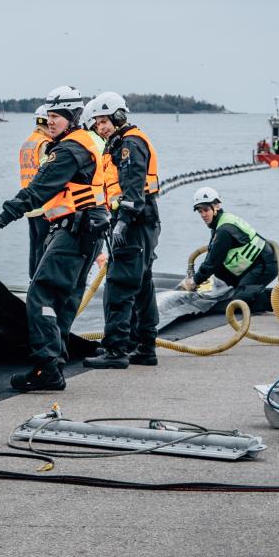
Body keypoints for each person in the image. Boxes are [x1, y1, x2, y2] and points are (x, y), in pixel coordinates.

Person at [0, 85, 108, 391]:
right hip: (90, 230)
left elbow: (39, 189)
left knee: (40, 294)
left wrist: (1, 219)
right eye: (49, 116)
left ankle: (46, 367)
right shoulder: (89, 141)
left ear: (72, 116)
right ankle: (54, 363)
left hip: (74, 230)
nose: (51, 122)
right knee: (64, 300)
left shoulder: (67, 150)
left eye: (57, 117)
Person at [83, 92, 160, 369]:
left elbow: (133, 187)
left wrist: (123, 221)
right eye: (97, 124)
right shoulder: (122, 142)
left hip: (134, 223)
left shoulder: (128, 144)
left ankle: (116, 350)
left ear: (118, 117)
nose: (101, 128)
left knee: (119, 285)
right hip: (142, 222)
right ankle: (145, 346)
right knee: (142, 285)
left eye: (104, 121)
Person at [178, 187, 279, 314]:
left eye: (205, 210)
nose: (203, 215)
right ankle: (247, 290)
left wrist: (194, 281)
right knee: (220, 272)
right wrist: (198, 277)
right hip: (253, 264)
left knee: (240, 302)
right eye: (200, 211)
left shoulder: (224, 230)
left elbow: (212, 262)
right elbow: (212, 255)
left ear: (216, 206)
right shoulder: (221, 222)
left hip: (264, 264)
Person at [19, 105, 55, 278]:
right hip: (43, 205)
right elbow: (48, 174)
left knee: (34, 245)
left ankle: (32, 281)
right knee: (43, 246)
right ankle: (40, 285)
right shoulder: (45, 144)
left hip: (29, 203)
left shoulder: (28, 142)